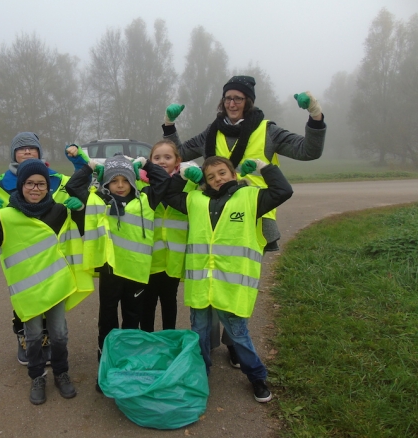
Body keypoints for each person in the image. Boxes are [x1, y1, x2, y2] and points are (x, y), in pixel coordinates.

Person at [162, 75, 326, 364]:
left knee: (238, 284)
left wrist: (315, 115)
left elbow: (309, 151)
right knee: (209, 277)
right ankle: (208, 345)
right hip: (212, 215)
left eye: (238, 98)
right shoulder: (211, 131)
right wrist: (168, 126)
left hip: (250, 215)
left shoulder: (268, 131)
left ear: (248, 101)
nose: (232, 103)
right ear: (222, 102)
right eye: (228, 98)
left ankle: (235, 343)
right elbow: (178, 155)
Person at [164, 155, 293, 402]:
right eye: (210, 176)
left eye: (222, 173)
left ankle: (257, 377)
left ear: (234, 175)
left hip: (231, 287)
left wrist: (263, 167)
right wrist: (182, 177)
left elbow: (283, 190)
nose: (217, 179)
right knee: (199, 332)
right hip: (202, 285)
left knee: (238, 335)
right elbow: (170, 196)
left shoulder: (250, 197)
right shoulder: (195, 200)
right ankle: (201, 373)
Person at [0, 159, 93, 405]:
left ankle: (61, 372)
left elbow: (81, 232)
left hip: (56, 286)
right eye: (29, 184)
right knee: (34, 337)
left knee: (59, 335)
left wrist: (80, 211)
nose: (35, 189)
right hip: (28, 292)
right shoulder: (7, 217)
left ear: (47, 186)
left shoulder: (58, 211)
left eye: (41, 184)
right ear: (20, 186)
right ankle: (37, 376)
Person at [0, 132, 88, 366]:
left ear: (40, 153)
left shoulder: (56, 179)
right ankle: (26, 340)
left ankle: (48, 343)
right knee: (25, 296)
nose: (27, 151)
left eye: (32, 148)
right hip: (20, 253)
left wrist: (79, 160)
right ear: (13, 154)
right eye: (21, 149)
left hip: (52, 252)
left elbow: (81, 183)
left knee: (52, 295)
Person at [65, 153, 171, 392]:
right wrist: (91, 167)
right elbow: (73, 186)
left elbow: (164, 181)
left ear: (133, 181)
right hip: (111, 273)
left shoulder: (146, 200)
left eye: (126, 180)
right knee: (107, 323)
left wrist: (145, 164)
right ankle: (105, 369)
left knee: (132, 321)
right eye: (114, 181)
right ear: (106, 183)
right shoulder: (99, 202)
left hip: (136, 273)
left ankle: (129, 368)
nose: (120, 185)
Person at [137, 140, 196, 332]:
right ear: (150, 161)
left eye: (167, 157)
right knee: (147, 303)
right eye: (157, 157)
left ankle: (169, 338)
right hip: (150, 257)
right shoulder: (140, 183)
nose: (162, 161)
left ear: (177, 161)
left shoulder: (188, 185)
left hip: (174, 256)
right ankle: (147, 340)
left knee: (169, 301)